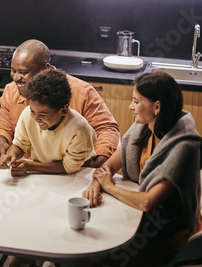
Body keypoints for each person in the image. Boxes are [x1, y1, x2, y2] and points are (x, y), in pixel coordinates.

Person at [81, 71, 202, 266]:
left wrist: (109, 186)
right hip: (140, 220)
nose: (131, 107)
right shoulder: (143, 129)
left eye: (136, 102)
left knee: (93, 260)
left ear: (157, 106)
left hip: (166, 235)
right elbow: (110, 166)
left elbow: (148, 202)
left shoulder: (184, 146)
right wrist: (96, 183)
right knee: (85, 248)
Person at [0, 39, 120, 168]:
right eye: (13, 70)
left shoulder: (82, 92)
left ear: (45, 68)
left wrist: (99, 159)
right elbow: (2, 128)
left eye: (24, 72)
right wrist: (0, 144)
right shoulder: (10, 91)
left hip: (69, 171)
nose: (16, 77)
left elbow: (107, 129)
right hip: (26, 168)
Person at [0, 69, 97, 175]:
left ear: (63, 110)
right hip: (44, 171)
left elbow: (67, 167)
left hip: (79, 174)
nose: (36, 118)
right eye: (33, 111)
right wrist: (11, 154)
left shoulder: (80, 129)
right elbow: (19, 145)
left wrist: (30, 165)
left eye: (43, 114)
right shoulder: (27, 114)